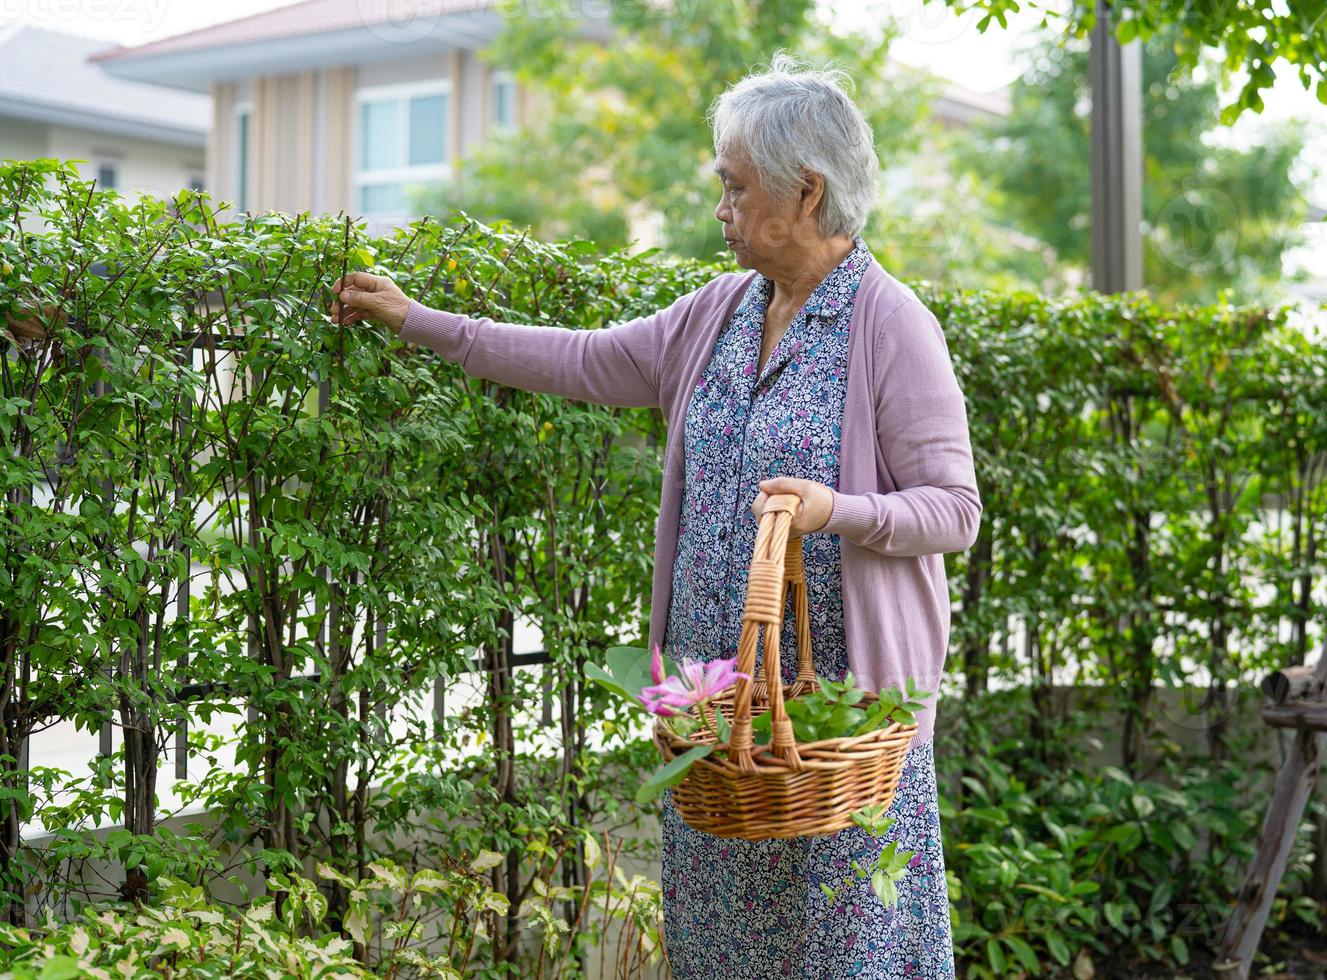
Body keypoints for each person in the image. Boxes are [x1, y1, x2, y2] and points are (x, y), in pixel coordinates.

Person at [331, 53, 979, 980]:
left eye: (734, 184)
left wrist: (837, 509)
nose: (720, 206)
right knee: (722, 955)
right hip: (718, 733)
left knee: (846, 954)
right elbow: (580, 359)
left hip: (837, 735)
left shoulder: (890, 323)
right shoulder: (718, 312)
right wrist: (418, 320)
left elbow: (954, 509)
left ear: (806, 193)